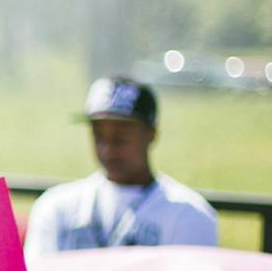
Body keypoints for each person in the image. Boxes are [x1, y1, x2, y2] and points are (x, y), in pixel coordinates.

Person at [23, 76, 218, 253]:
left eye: (121, 139)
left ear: (151, 134)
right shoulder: (56, 206)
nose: (108, 150)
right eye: (99, 137)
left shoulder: (188, 215)